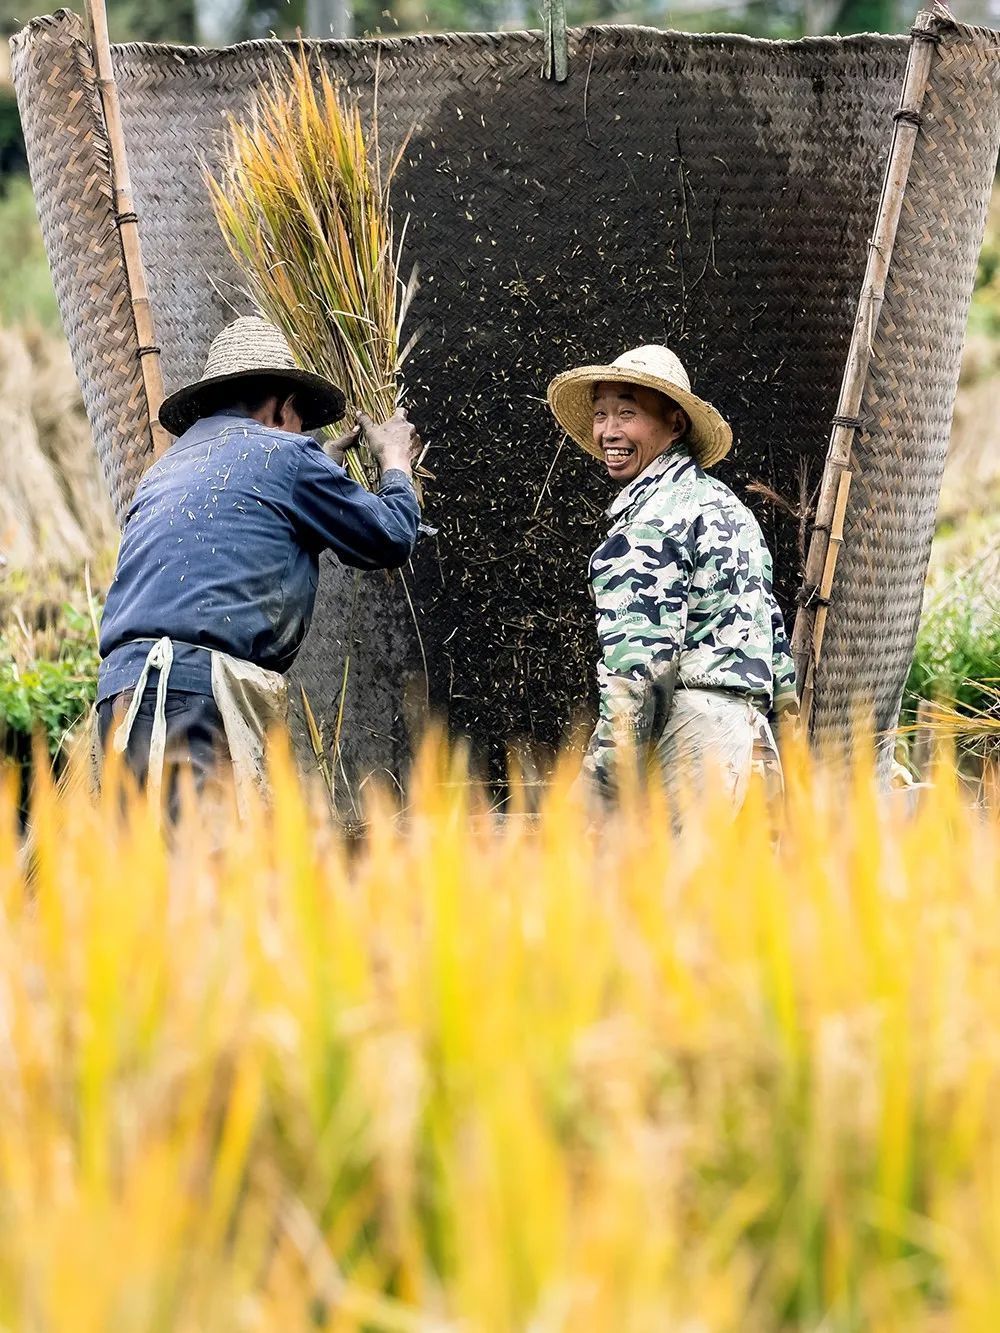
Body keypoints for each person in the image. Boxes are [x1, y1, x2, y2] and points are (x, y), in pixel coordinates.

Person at [97, 315, 421, 814]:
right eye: (298, 426)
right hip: (192, 700)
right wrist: (395, 462)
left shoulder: (164, 471)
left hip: (121, 698)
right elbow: (391, 537)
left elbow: (244, 515)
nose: (301, 439)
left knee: (150, 879)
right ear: (281, 407)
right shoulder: (285, 456)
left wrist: (313, 470)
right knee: (214, 877)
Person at [547, 344, 798, 815]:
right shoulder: (728, 508)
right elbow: (777, 654)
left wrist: (597, 791)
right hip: (753, 749)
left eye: (627, 413)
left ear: (675, 423)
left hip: (694, 752)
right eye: (601, 415)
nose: (609, 432)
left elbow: (639, 676)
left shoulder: (650, 524)